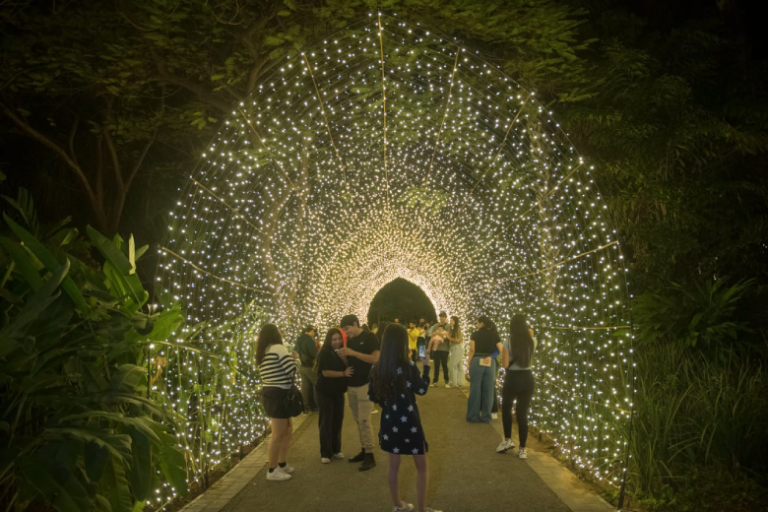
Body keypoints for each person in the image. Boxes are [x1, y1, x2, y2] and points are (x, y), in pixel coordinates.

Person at [369, 324, 441, 512]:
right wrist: (426, 368)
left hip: (389, 421)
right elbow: (422, 389)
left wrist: (387, 403)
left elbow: (372, 395)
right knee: (422, 465)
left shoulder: (378, 366)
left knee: (393, 465)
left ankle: (398, 505)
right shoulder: (407, 366)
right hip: (410, 421)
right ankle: (421, 509)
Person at [255, 324, 300, 481]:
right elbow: (292, 369)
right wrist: (297, 360)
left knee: (286, 429)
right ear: (276, 334)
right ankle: (272, 469)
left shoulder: (263, 352)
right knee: (278, 433)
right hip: (279, 394)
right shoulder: (279, 349)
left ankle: (282, 463)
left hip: (270, 393)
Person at [339, 314, 381, 471]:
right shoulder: (350, 341)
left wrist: (353, 353)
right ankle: (364, 450)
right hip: (352, 386)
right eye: (344, 330)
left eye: (347, 328)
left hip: (365, 385)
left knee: (364, 420)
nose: (346, 332)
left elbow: (375, 359)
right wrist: (344, 357)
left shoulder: (369, 337)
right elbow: (351, 361)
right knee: (358, 420)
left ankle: (370, 455)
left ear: (355, 324)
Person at [497, 315, 537, 459]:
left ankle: (507, 440)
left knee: (506, 408)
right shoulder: (532, 341)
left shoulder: (508, 342)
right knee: (522, 413)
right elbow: (531, 333)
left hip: (512, 379)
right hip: (528, 379)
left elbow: (505, 365)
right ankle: (522, 449)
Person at [315, 328, 352, 463]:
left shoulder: (342, 352)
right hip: (324, 392)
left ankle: (336, 449)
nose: (337, 342)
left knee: (337, 420)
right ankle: (325, 452)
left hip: (338, 392)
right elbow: (326, 373)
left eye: (338, 339)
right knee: (326, 422)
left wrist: (343, 359)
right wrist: (343, 374)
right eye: (334, 339)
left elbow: (348, 367)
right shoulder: (324, 353)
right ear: (329, 340)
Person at [466, 316, 502, 423]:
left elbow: (472, 349)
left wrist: (468, 364)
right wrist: (491, 357)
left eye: (477, 323)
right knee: (489, 390)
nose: (477, 325)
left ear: (481, 323)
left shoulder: (475, 334)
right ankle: (486, 416)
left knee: (475, 388)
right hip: (489, 362)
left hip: (477, 360)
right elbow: (500, 349)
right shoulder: (494, 334)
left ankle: (473, 416)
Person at [294, 325, 318, 413]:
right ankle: (316, 404)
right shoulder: (309, 340)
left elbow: (296, 351)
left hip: (301, 365)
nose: (314, 333)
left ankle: (306, 406)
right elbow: (314, 352)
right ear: (308, 331)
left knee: (306, 386)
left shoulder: (299, 339)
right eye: (313, 331)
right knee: (317, 383)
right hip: (309, 365)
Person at [427, 312, 451, 387]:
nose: (442, 318)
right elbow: (432, 335)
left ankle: (447, 381)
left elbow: (447, 336)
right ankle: (435, 381)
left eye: (443, 317)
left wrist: (438, 334)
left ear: (446, 318)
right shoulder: (435, 326)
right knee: (436, 365)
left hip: (445, 349)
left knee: (444, 365)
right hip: (436, 349)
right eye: (440, 317)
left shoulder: (448, 326)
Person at [446, 316, 465, 388]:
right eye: (450, 320)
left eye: (452, 321)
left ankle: (453, 383)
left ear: (455, 321)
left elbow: (457, 340)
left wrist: (448, 337)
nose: (450, 322)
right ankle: (460, 382)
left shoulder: (457, 329)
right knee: (459, 365)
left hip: (456, 348)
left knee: (452, 365)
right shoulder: (455, 329)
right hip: (457, 348)